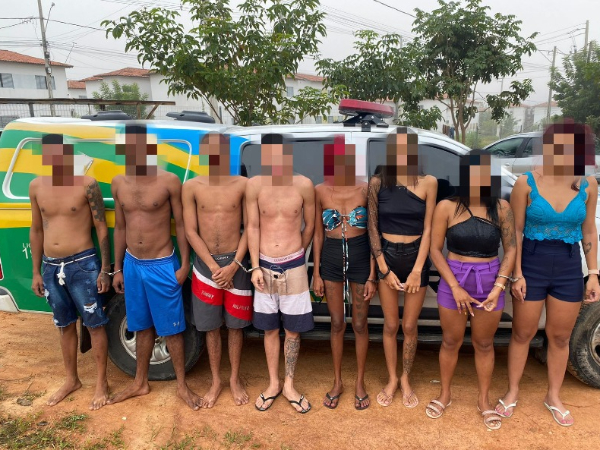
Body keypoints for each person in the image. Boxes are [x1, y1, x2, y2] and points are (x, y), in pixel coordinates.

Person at [496, 121, 599, 427]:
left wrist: (593, 273)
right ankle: (512, 391)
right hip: (532, 264)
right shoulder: (526, 183)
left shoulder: (587, 184)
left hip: (568, 267)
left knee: (560, 337)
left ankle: (553, 396)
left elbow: (588, 230)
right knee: (522, 333)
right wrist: (517, 274)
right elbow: (515, 232)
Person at [108, 123, 201, 410]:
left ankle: (182, 386)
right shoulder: (118, 182)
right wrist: (117, 268)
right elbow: (120, 227)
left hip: (162, 263)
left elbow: (182, 224)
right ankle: (140, 382)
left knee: (171, 328)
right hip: (132, 265)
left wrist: (184, 264)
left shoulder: (169, 181)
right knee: (140, 324)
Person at [426, 150, 516, 430]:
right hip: (454, 280)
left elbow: (511, 249)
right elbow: (435, 250)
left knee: (484, 344)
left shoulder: (501, 207)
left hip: (490, 282)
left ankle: (484, 400)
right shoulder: (447, 206)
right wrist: (455, 286)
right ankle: (445, 394)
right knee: (450, 341)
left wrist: (499, 285)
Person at [29, 133, 111, 410]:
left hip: (83, 263)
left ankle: (101, 383)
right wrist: (36, 272)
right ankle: (71, 379)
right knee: (64, 325)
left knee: (95, 324)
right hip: (51, 267)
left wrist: (105, 269)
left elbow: (101, 226)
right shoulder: (36, 186)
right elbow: (36, 229)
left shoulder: (87, 184)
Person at [367, 127, 437, 407]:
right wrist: (383, 268)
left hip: (416, 257)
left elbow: (429, 228)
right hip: (387, 257)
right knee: (391, 324)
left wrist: (418, 269)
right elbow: (372, 227)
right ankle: (392, 378)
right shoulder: (377, 182)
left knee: (409, 325)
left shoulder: (428, 182)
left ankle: (406, 378)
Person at [246, 133, 315, 414]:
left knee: (293, 331)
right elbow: (252, 227)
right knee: (270, 329)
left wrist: (297, 254)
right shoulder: (255, 185)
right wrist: (254, 266)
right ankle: (273, 383)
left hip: (294, 266)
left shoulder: (304, 185)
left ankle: (289, 385)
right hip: (263, 265)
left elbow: (310, 226)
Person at [182, 132, 251, 408]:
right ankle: (215, 380)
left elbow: (251, 227)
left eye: (219, 151)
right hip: (205, 265)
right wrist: (213, 266)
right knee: (210, 327)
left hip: (237, 263)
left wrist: (234, 265)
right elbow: (190, 230)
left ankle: (234, 378)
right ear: (202, 154)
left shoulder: (243, 184)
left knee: (235, 326)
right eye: (209, 151)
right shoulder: (191, 186)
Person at [313, 136, 377, 410]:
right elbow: (317, 234)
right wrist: (316, 272)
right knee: (337, 323)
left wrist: (373, 274)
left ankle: (360, 382)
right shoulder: (319, 190)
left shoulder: (365, 189)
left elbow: (373, 231)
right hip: (330, 258)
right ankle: (337, 381)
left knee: (360, 324)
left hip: (361, 255)